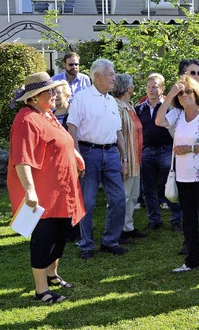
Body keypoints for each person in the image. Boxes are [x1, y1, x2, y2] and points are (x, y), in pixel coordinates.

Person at [7, 72, 86, 303]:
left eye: (54, 90)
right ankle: (41, 290)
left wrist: (75, 156)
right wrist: (30, 190)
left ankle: (52, 276)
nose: (55, 94)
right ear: (33, 98)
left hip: (61, 191)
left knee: (60, 235)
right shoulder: (26, 120)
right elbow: (22, 159)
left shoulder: (47, 114)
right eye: (49, 91)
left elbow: (61, 140)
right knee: (44, 239)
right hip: (44, 194)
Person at [155, 75, 199, 278]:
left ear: (196, 92)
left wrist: (191, 148)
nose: (184, 96)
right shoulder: (177, 114)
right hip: (184, 178)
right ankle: (191, 261)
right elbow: (158, 120)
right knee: (189, 221)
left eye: (188, 91)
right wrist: (170, 95)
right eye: (181, 93)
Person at [67, 59, 129, 260]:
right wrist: (77, 156)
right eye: (110, 74)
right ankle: (86, 244)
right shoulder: (81, 98)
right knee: (87, 201)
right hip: (88, 153)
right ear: (97, 76)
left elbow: (118, 131)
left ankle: (110, 241)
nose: (114, 78)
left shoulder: (112, 101)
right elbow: (72, 128)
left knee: (119, 199)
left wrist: (125, 158)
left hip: (111, 154)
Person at [135, 74, 181, 231]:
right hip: (147, 151)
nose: (151, 90)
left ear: (162, 89)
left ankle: (176, 220)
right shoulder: (139, 109)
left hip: (166, 150)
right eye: (148, 87)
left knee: (171, 184)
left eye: (154, 87)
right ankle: (154, 220)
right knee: (148, 188)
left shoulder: (169, 108)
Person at [112, 74, 147, 243]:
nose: (134, 86)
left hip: (135, 158)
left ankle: (128, 227)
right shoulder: (117, 107)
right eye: (132, 84)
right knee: (123, 196)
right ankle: (118, 231)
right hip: (124, 158)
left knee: (133, 195)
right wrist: (122, 160)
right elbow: (115, 134)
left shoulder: (130, 106)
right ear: (127, 88)